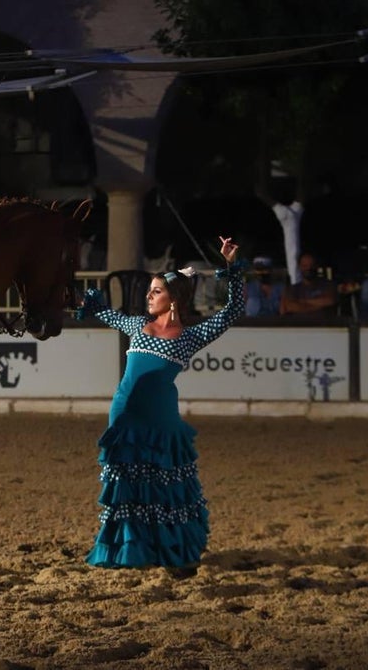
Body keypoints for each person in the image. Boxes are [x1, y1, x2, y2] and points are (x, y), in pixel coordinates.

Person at [79, 235, 243, 579]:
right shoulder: (137, 325)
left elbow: (233, 311)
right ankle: (130, 550)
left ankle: (173, 553)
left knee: (165, 486)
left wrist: (231, 267)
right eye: (149, 290)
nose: (148, 296)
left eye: (155, 291)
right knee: (127, 484)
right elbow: (103, 311)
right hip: (124, 415)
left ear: (173, 300)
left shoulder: (190, 336)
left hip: (162, 421)